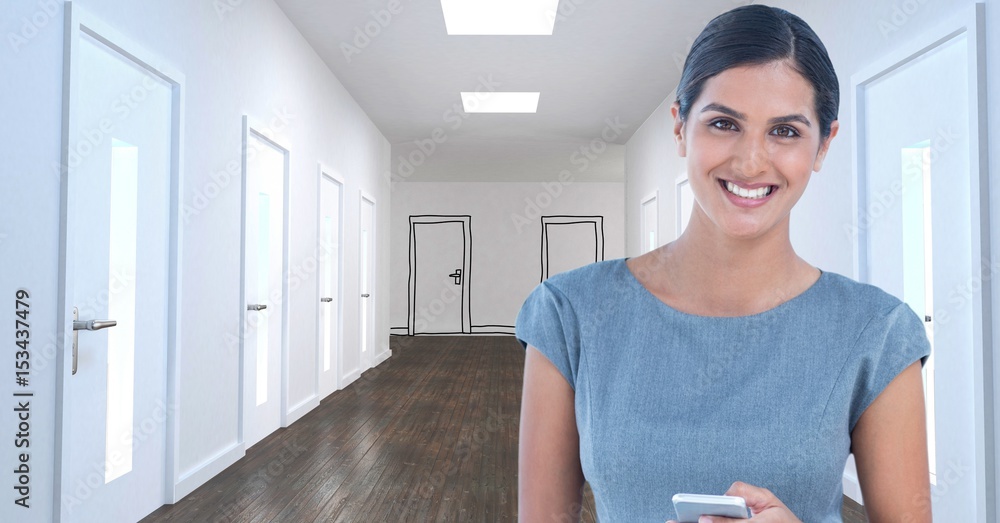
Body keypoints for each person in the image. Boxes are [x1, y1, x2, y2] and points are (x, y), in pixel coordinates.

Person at [515, 5, 932, 523]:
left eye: (785, 132)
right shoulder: (570, 313)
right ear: (680, 128)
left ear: (824, 144)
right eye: (723, 123)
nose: (751, 161)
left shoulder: (878, 332)